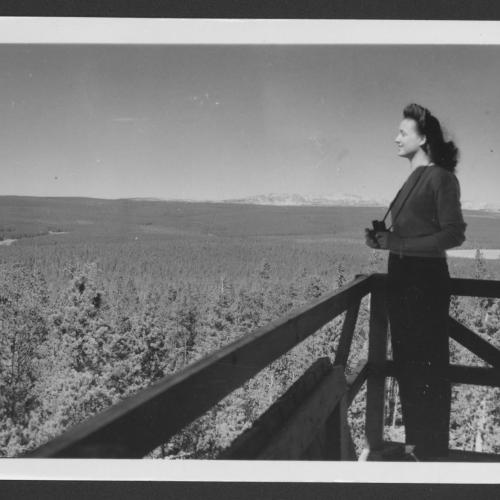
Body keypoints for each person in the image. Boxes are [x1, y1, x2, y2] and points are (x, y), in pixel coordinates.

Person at [364, 103, 467, 460]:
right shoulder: (411, 179)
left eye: (403, 132)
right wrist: (384, 242)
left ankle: (432, 452)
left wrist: (400, 244)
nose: (396, 138)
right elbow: (410, 235)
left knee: (429, 366)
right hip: (403, 274)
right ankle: (415, 448)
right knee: (409, 363)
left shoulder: (441, 177)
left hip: (424, 279)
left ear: (423, 139)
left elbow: (454, 234)